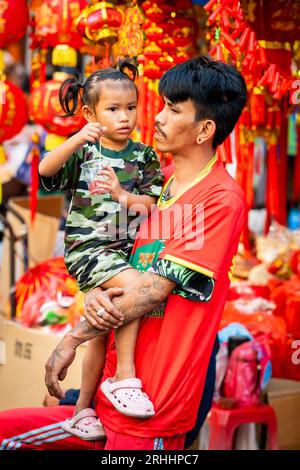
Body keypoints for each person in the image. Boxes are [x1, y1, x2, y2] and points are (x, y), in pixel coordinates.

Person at [43, 55, 247, 451]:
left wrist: (73, 338)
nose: (156, 117)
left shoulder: (218, 199)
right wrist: (99, 289)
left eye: (172, 110)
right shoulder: (159, 184)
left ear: (205, 129)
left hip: (153, 404)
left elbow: (153, 290)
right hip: (111, 394)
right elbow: (122, 256)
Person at [38, 59, 164, 440]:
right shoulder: (84, 151)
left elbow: (153, 205)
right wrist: (77, 138)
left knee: (104, 323)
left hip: (127, 249)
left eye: (130, 107)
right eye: (113, 109)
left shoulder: (144, 155)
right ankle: (125, 377)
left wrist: (122, 195)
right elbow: (45, 170)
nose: (124, 117)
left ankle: (82, 411)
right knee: (132, 289)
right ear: (91, 113)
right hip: (90, 247)